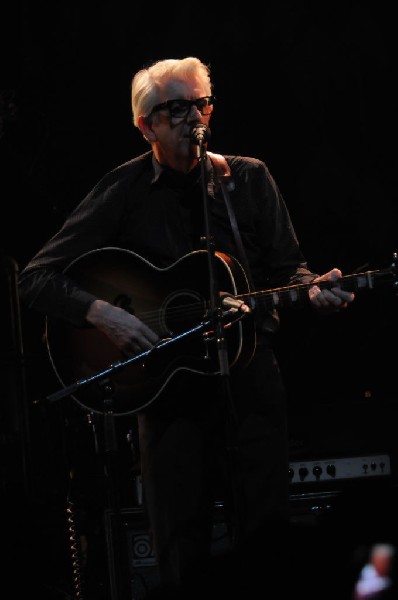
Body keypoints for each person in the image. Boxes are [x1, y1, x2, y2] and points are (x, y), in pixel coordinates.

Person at [18, 56, 355, 598]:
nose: (192, 117)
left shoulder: (247, 178)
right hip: (166, 392)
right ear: (144, 124)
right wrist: (105, 313)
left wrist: (312, 289)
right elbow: (36, 278)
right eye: (174, 109)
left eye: (201, 104)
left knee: (267, 545)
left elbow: (290, 269)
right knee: (180, 546)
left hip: (249, 383)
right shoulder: (124, 190)